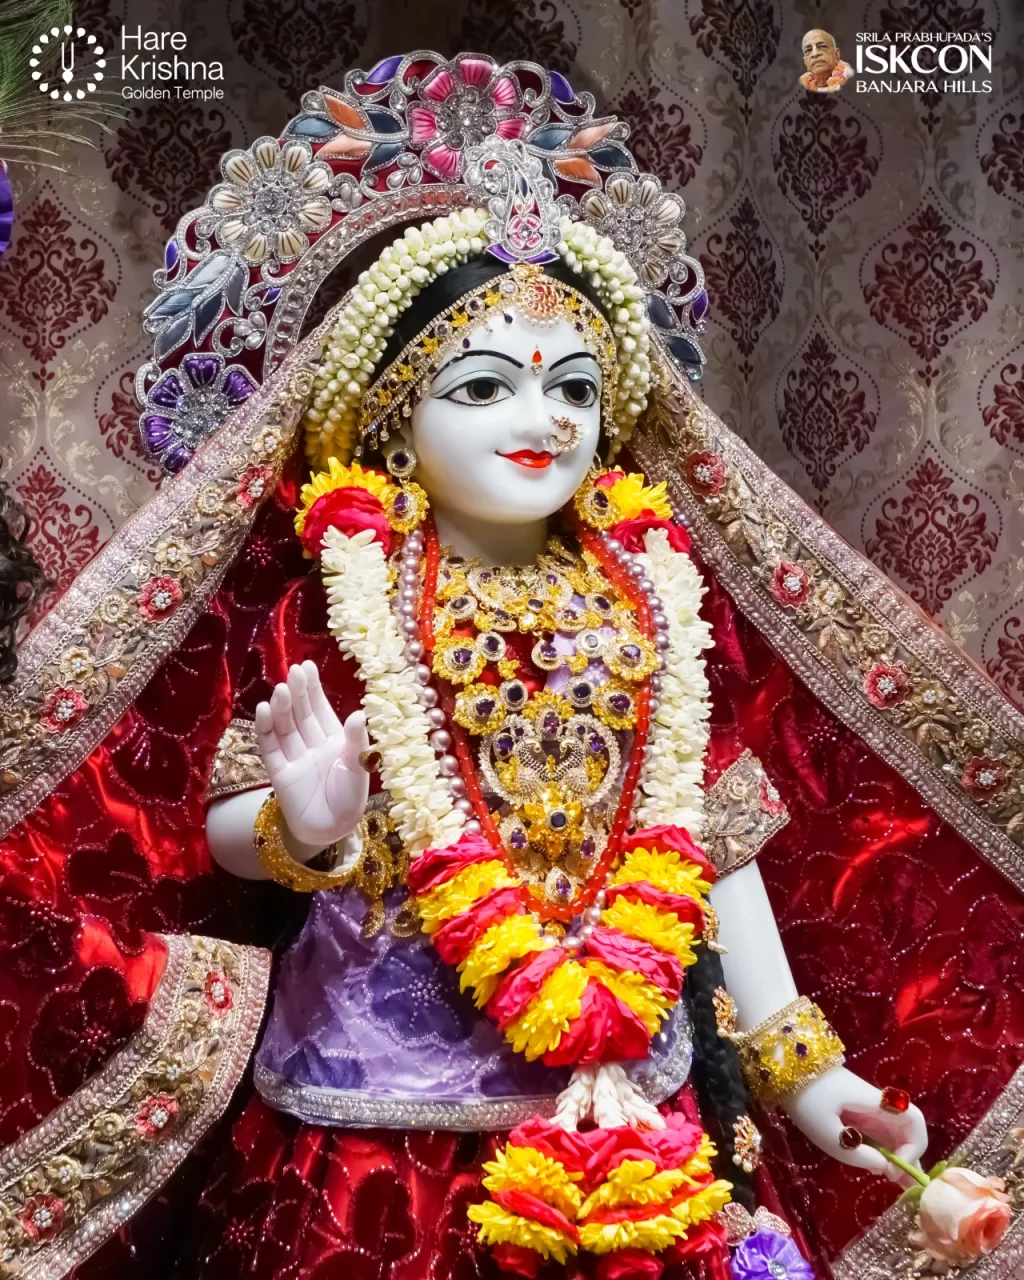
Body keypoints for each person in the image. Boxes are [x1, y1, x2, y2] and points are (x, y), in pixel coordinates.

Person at [0, 51, 1019, 1280]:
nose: (543, 421)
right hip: (379, 1135)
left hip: (634, 1128)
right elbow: (225, 820)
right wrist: (302, 826)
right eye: (484, 385)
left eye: (574, 388)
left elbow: (711, 839)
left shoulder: (652, 592)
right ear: (391, 413)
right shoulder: (339, 589)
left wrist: (811, 1078)